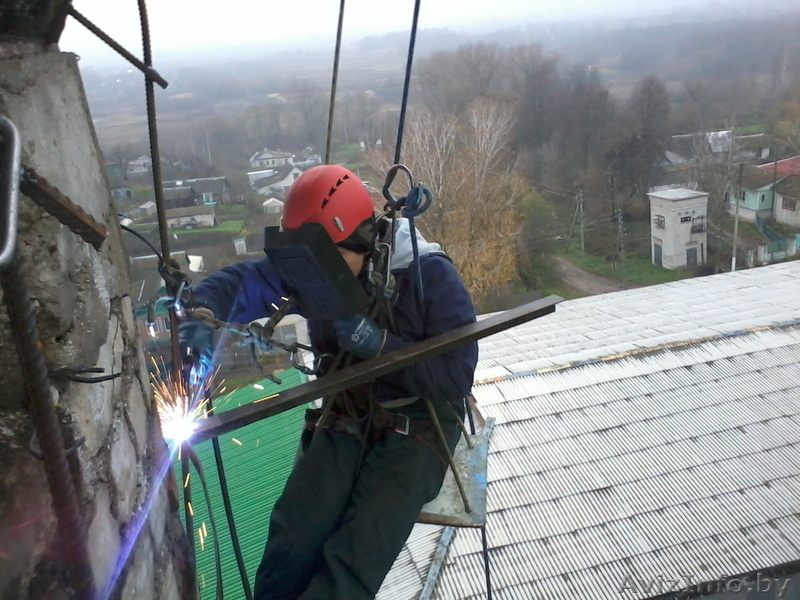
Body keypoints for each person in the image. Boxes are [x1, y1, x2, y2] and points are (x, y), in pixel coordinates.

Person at [179, 164, 478, 600]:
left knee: (356, 555)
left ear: (362, 238)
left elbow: (454, 377)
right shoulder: (313, 265)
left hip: (421, 419)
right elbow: (241, 283)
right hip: (350, 409)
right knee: (294, 537)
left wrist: (380, 346)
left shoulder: (428, 276)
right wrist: (203, 313)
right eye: (309, 267)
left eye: (330, 263)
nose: (318, 279)